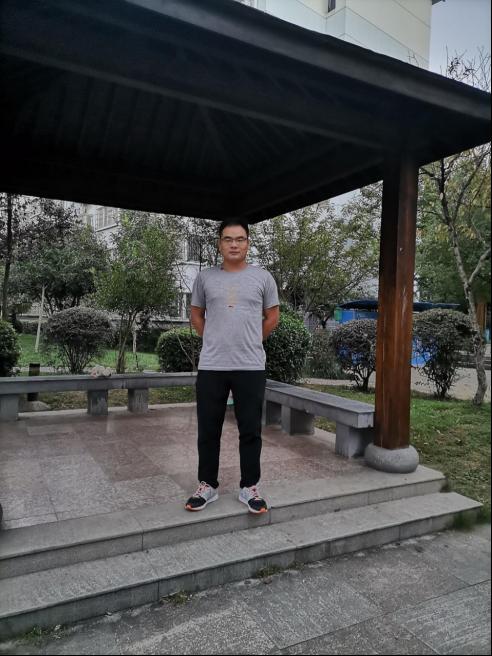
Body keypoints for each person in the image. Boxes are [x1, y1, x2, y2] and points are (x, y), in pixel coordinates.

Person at [185, 218, 280, 514]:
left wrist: (251, 340)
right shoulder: (205, 278)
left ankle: (249, 487)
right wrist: (214, 339)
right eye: (228, 239)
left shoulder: (263, 278)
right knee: (208, 429)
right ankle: (207, 485)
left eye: (240, 239)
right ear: (219, 244)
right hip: (212, 365)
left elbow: (272, 317)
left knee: (250, 429)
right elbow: (196, 314)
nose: (234, 244)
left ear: (248, 243)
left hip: (250, 365)